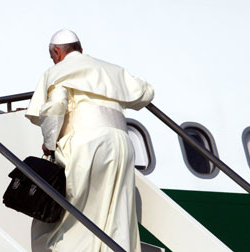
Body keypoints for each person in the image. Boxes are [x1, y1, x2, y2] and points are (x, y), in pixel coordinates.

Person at [25, 29, 154, 252]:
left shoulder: (59, 71)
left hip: (85, 144)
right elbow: (144, 92)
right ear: (81, 49)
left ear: (56, 52)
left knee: (72, 215)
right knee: (115, 214)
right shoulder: (111, 70)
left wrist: (50, 142)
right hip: (121, 145)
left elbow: (55, 107)